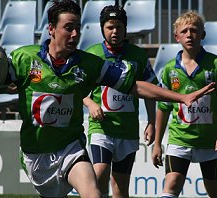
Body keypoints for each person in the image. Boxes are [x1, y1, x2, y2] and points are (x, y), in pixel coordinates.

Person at [7, 1, 214, 197]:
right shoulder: (27, 58)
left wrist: (178, 99)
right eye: (68, 27)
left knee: (103, 190)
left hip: (89, 141)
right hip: (58, 144)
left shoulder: (99, 62)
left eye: (78, 27)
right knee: (92, 180)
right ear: (51, 28)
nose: (75, 34)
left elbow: (138, 87)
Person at [82, 5, 157, 198]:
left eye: (119, 27)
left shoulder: (138, 55)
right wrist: (90, 103)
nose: (115, 31)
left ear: (125, 29)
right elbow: (76, 89)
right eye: (110, 27)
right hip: (102, 129)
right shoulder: (91, 54)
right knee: (98, 175)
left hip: (128, 130)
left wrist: (151, 122)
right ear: (102, 29)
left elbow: (150, 91)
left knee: (120, 187)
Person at [151, 11, 217, 198]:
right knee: (171, 184)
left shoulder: (214, 64)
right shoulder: (169, 69)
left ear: (202, 35)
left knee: (214, 190)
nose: (189, 34)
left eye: (194, 30)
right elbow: (163, 108)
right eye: (185, 31)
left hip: (210, 143)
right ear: (176, 37)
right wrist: (157, 144)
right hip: (179, 140)